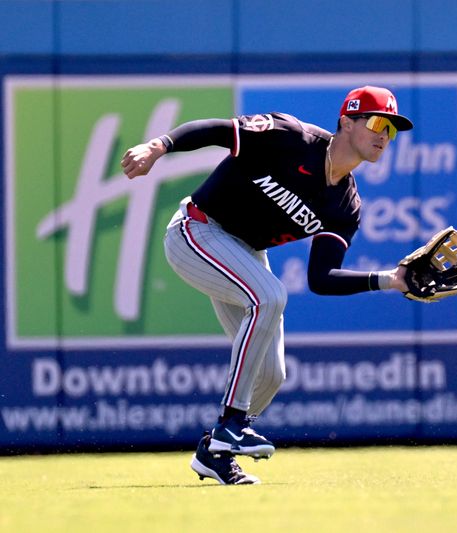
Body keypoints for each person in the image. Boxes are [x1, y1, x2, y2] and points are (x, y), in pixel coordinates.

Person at [121, 86, 413, 485]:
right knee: (271, 295)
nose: (384, 135)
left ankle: (214, 454)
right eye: (378, 122)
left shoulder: (345, 206)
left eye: (391, 130)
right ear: (346, 121)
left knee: (272, 375)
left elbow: (321, 279)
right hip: (197, 230)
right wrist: (159, 146)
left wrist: (391, 281)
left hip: (243, 254)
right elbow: (217, 131)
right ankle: (231, 424)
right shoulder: (292, 137)